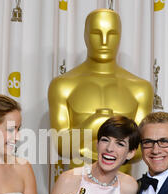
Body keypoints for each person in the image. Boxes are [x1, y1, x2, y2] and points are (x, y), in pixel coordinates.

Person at [48, 8, 153, 169]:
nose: (104, 41)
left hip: (121, 188)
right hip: (76, 187)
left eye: (112, 34)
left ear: (120, 37)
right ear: (85, 36)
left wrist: (85, 144)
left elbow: (139, 149)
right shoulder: (63, 85)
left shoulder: (140, 88)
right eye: (96, 33)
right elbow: (61, 145)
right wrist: (94, 122)